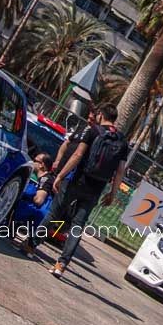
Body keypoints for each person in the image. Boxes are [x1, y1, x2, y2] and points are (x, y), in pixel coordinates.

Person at [21, 104, 129, 278]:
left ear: (101, 115)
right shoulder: (122, 142)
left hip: (77, 181)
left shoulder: (93, 131)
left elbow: (77, 155)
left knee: (54, 213)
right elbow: (120, 170)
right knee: (78, 226)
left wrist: (60, 175)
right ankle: (61, 264)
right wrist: (112, 193)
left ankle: (30, 245)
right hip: (96, 188)